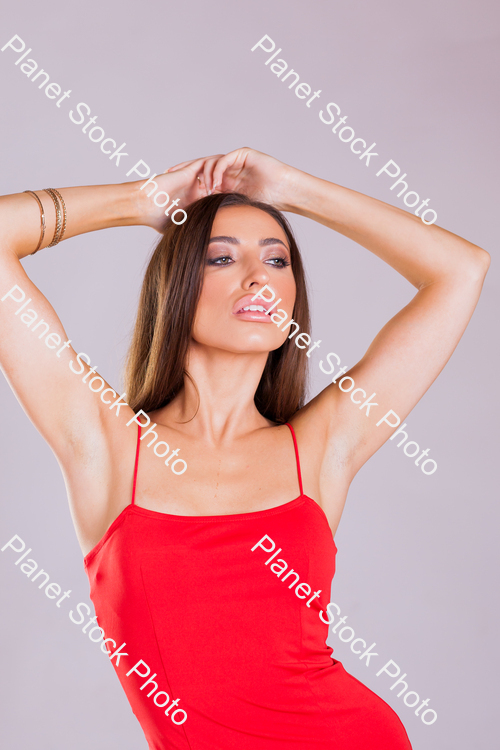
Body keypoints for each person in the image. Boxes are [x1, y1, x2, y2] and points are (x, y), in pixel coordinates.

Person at [0, 147, 489, 749]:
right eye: (222, 258)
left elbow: (462, 269)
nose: (259, 277)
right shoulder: (105, 444)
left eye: (278, 260)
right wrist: (140, 202)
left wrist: (292, 188)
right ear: (176, 284)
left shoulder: (319, 447)